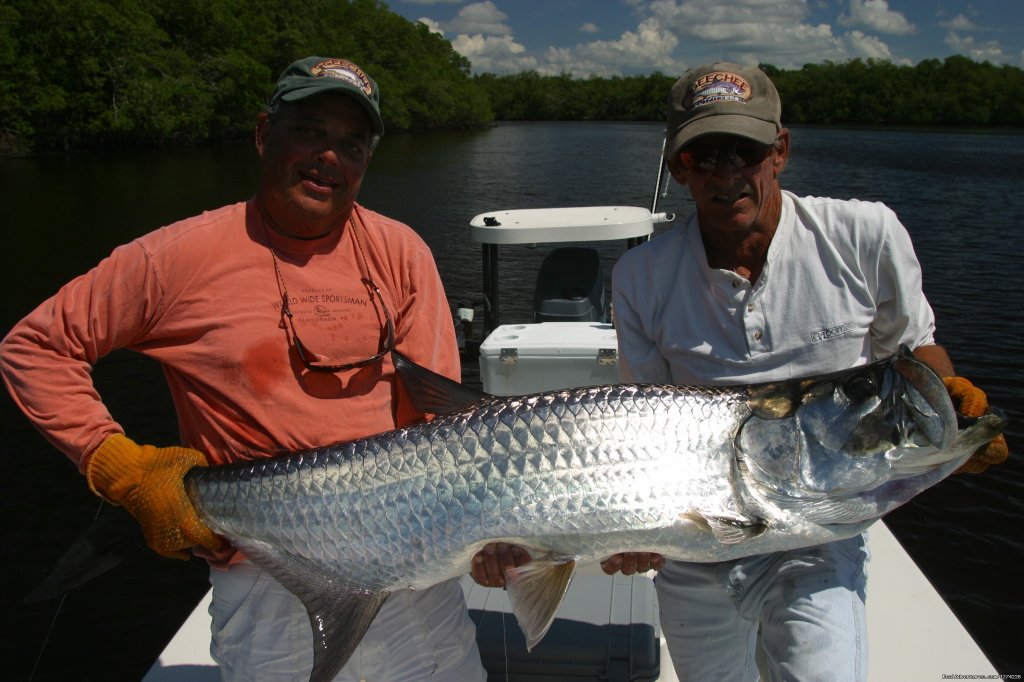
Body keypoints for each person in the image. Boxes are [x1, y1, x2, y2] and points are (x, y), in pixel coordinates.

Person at [0, 57, 487, 681]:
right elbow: (35, 347)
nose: (329, 158)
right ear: (264, 134)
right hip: (265, 578)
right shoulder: (179, 257)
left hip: (417, 565)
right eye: (309, 131)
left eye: (351, 145)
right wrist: (120, 467)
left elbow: (438, 429)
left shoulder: (401, 251)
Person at [607, 62, 1008, 681]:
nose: (725, 175)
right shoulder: (640, 277)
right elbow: (647, 429)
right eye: (701, 157)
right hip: (694, 544)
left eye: (744, 150)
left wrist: (946, 407)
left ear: (781, 150)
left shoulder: (864, 236)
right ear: (677, 168)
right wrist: (628, 528)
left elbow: (916, 352)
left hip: (817, 533)